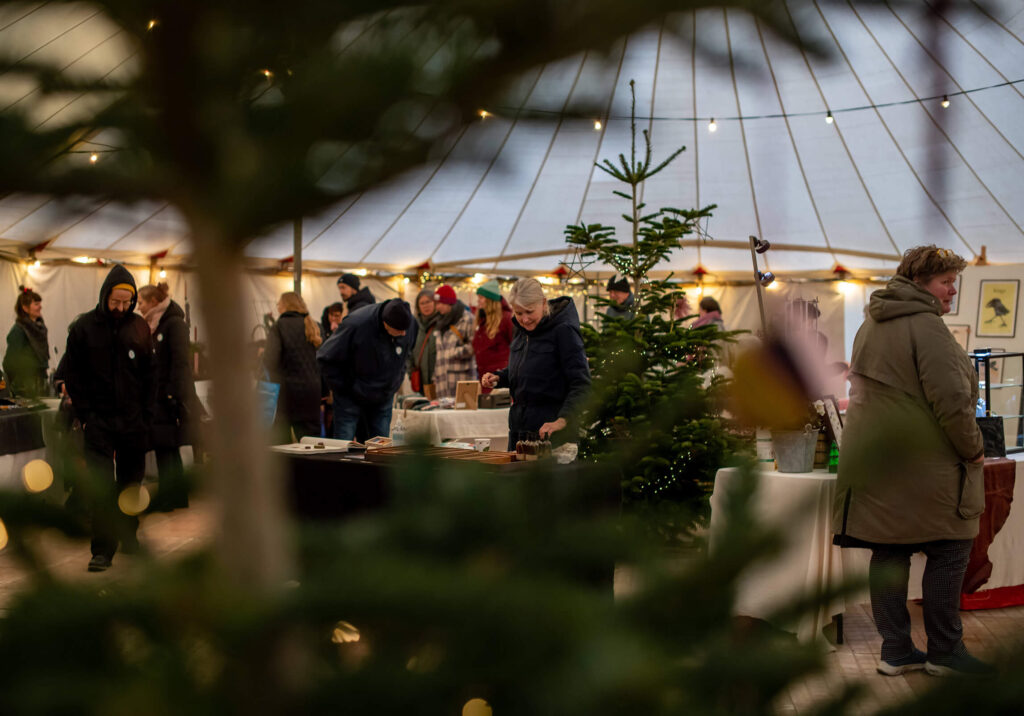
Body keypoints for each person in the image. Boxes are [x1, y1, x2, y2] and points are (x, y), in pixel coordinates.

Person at [832, 245, 993, 677]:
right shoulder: (927, 327)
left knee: (889, 552)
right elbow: (953, 401)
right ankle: (945, 652)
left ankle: (896, 651)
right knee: (951, 547)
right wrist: (972, 449)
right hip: (925, 464)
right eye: (946, 282)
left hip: (879, 461)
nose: (953, 291)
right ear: (920, 282)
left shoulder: (872, 323)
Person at [63, 265, 155, 572]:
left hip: (133, 422)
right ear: (105, 297)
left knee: (131, 484)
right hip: (99, 422)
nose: (120, 308)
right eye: (115, 302)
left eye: (126, 303)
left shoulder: (140, 327)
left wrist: (146, 414)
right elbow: (72, 375)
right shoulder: (84, 328)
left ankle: (129, 538)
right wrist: (86, 415)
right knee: (101, 487)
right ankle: (102, 550)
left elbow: (150, 375)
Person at [481, 278, 590, 450]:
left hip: (551, 435)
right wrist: (500, 377)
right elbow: (526, 369)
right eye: (518, 313)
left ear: (543, 303)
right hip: (519, 433)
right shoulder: (521, 331)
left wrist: (563, 420)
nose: (524, 319)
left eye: (529, 312)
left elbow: (581, 382)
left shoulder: (563, 330)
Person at [318, 298, 416, 440]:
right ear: (385, 323)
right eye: (399, 331)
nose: (404, 334)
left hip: (383, 396)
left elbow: (407, 353)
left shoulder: (409, 324)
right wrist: (344, 387)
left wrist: (395, 380)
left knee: (379, 449)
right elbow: (325, 357)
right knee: (343, 445)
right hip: (350, 397)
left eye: (405, 330)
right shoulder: (356, 324)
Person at [137, 282, 198, 511]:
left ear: (153, 301)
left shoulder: (173, 324)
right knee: (166, 449)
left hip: (167, 397)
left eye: (141, 302)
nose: (139, 307)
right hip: (159, 396)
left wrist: (174, 394)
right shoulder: (157, 323)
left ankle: (171, 496)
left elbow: (180, 363)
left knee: (167, 449)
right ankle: (174, 496)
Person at [265, 292, 323, 441]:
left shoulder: (279, 327)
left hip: (287, 394)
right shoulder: (316, 326)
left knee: (282, 444)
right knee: (312, 444)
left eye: (279, 303)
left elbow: (270, 360)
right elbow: (325, 361)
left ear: (284, 305)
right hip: (313, 392)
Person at [432, 284, 476, 400]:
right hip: (442, 385)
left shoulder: (467, 319)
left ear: (449, 302)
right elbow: (440, 352)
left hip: (462, 381)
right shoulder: (440, 322)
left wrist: (453, 352)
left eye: (440, 303)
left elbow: (474, 346)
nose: (437, 307)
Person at [3, 286, 49, 397]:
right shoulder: (18, 331)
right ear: (25, 308)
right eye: (36, 304)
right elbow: (9, 363)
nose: (40, 307)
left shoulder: (40, 328)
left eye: (39, 303)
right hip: (24, 389)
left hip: (39, 386)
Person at [472, 279, 514, 392]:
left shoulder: (506, 319)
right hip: (485, 378)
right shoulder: (482, 320)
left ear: (490, 300)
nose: (478, 301)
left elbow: (516, 346)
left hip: (499, 378)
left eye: (481, 297)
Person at [409, 288, 438, 396]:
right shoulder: (413, 326)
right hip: (421, 382)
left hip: (440, 381)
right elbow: (408, 351)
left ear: (435, 303)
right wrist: (411, 372)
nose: (425, 306)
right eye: (422, 303)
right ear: (418, 306)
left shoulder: (442, 323)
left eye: (428, 302)